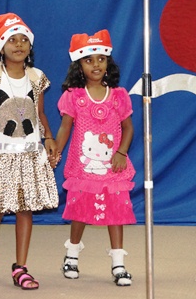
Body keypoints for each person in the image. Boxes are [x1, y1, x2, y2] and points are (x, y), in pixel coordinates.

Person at [0, 13, 59, 291]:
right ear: (1, 46)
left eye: (24, 40)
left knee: (25, 209)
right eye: (12, 40)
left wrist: (49, 137)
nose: (19, 45)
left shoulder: (37, 77)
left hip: (30, 154)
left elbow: (41, 113)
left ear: (30, 46)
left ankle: (21, 266)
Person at [54, 29, 136, 287]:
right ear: (79, 65)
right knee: (80, 211)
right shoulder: (74, 97)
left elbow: (129, 128)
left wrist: (121, 152)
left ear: (108, 62)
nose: (96, 64)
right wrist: (56, 150)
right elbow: (65, 127)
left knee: (117, 212)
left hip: (113, 165)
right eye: (89, 60)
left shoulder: (119, 95)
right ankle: (72, 255)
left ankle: (118, 263)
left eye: (100, 59)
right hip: (83, 166)